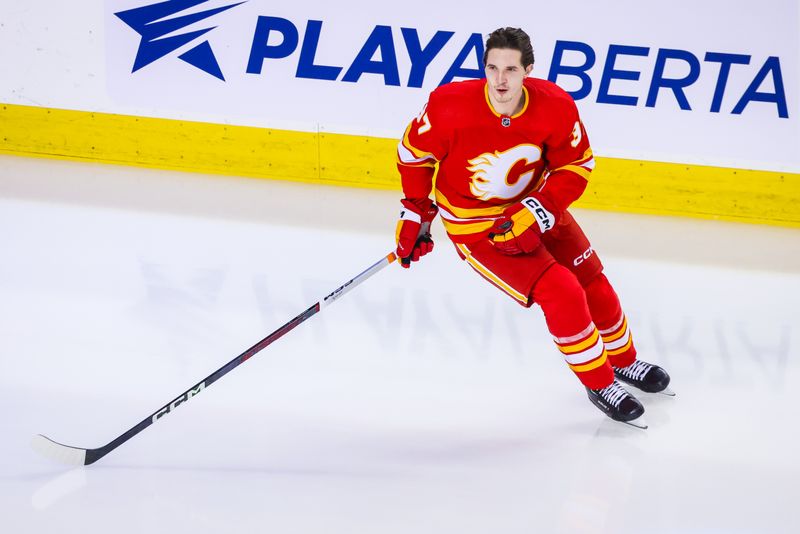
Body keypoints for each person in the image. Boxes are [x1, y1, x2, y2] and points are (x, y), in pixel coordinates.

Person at [393, 27, 672, 428]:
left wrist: (541, 208)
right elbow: (413, 155)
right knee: (561, 291)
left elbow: (576, 165)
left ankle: (624, 362)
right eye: (492, 68)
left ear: (528, 71)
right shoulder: (449, 104)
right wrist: (416, 212)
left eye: (510, 69)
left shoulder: (555, 105)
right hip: (478, 228)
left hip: (538, 207)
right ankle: (599, 382)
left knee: (593, 281)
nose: (500, 80)